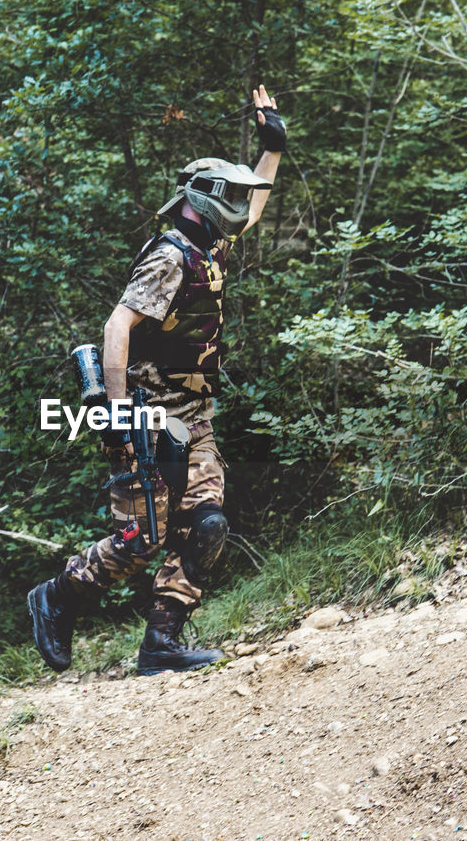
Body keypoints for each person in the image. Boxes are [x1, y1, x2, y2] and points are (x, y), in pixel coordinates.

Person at [28, 85, 286, 676]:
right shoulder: (172, 254)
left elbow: (253, 209)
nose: (242, 205)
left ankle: (161, 644)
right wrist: (118, 413)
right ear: (206, 197)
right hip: (149, 416)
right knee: (142, 538)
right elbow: (117, 325)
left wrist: (273, 148)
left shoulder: (208, 244)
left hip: (191, 417)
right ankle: (58, 596)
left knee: (207, 525)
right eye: (234, 194)